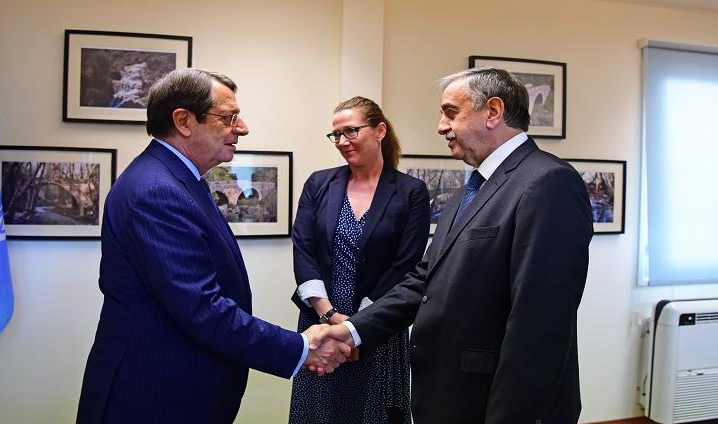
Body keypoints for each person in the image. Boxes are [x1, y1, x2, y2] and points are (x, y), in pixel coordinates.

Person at [320, 67, 594, 423]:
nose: (440, 126)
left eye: (450, 113)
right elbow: (424, 280)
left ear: (493, 112)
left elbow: (539, 326)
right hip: (448, 398)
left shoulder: (548, 182)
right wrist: (352, 331)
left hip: (495, 405)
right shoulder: (471, 189)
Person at [76, 68, 349, 424]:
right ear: (184, 121)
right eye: (228, 117)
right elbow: (201, 307)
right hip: (152, 397)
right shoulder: (157, 191)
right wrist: (301, 347)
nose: (242, 128)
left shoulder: (178, 180)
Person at [288, 96, 430, 424]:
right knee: (318, 412)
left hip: (378, 325)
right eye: (336, 134)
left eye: (351, 131)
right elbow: (303, 248)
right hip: (320, 323)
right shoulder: (319, 183)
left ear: (379, 131)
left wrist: (359, 324)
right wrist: (329, 314)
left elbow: (406, 264)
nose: (342, 141)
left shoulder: (410, 191)